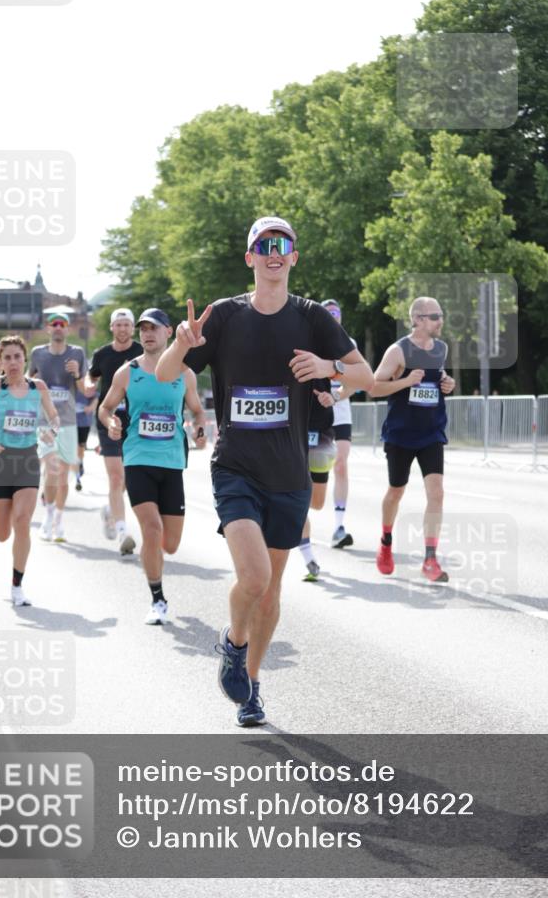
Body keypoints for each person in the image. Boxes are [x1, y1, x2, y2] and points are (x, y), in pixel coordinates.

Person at [156, 215, 374, 726]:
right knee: (252, 578)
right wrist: (182, 343)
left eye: (284, 244)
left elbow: (364, 374)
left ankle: (252, 686)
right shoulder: (225, 317)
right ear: (250, 256)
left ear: (293, 257)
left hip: (290, 474)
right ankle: (233, 645)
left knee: (272, 592)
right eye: (264, 244)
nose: (274, 251)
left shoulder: (313, 317)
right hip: (235, 467)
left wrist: (328, 368)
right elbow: (167, 373)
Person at [99, 308, 207, 623]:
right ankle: (157, 599)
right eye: (143, 328)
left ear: (168, 333)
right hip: (137, 457)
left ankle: (154, 562)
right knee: (152, 528)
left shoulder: (185, 373)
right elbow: (105, 408)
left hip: (172, 461)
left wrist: (200, 428)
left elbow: (198, 411)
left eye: (154, 328)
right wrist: (110, 423)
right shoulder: (127, 372)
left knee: (169, 545)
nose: (147, 334)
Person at [0, 335, 59, 606]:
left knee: (22, 522)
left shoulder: (38, 387)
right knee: (4, 532)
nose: (12, 362)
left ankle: (17, 586)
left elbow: (54, 417)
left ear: (25, 358)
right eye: (6, 357)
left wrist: (50, 431)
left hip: (28, 461)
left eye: (17, 356)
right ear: (0, 360)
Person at [370, 296, 456, 583]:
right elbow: (374, 387)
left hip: (431, 432)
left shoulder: (440, 349)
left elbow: (437, 379)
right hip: (400, 434)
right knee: (396, 491)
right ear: (418, 319)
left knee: (437, 492)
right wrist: (406, 381)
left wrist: (448, 384)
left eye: (440, 315)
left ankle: (430, 559)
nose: (440, 320)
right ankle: (385, 542)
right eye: (435, 316)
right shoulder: (398, 351)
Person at [84, 307, 143, 555]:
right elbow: (91, 376)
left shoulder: (141, 351)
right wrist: (88, 385)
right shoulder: (102, 354)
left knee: (129, 478)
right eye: (118, 325)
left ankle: (111, 508)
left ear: (132, 328)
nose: (122, 329)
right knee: (116, 477)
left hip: (137, 419)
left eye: (127, 324)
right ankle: (122, 532)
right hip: (108, 419)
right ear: (112, 328)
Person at [28, 312, 87, 542]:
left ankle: (58, 520)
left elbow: (84, 389)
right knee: (51, 469)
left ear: (68, 329)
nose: (59, 328)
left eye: (63, 324)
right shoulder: (37, 354)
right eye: (55, 324)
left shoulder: (77, 353)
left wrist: (77, 373)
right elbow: (27, 380)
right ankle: (48, 516)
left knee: (62, 475)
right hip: (45, 422)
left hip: (69, 422)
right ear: (48, 329)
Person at [321, 299, 358, 549]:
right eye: (329, 314)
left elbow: (357, 381)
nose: (334, 318)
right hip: (316, 413)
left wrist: (336, 396)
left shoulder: (350, 345)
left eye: (337, 313)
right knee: (311, 469)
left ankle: (338, 525)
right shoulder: (312, 342)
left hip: (341, 412)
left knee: (341, 465)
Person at [298, 381, 337, 581]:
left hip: (321, 437)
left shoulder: (330, 354)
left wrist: (335, 396)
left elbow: (363, 379)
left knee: (316, 503)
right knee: (299, 501)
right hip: (290, 436)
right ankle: (308, 558)